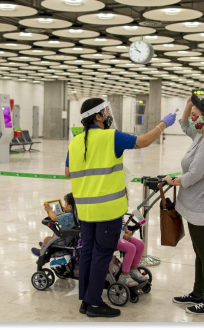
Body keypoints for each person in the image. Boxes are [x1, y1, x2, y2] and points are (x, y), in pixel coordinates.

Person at [66, 98, 177, 318]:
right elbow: (143, 141)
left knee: (87, 253)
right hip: (107, 211)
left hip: (86, 211)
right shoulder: (111, 137)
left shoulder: (76, 141)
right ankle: (95, 304)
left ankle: (86, 301)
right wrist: (163, 124)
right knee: (101, 255)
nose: (108, 115)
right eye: (106, 111)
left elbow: (68, 172)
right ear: (98, 116)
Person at [163, 94, 204, 316]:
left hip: (203, 208)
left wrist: (172, 180)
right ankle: (198, 293)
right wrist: (190, 104)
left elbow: (192, 176)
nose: (191, 119)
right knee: (200, 252)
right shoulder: (202, 135)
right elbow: (183, 125)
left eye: (195, 116)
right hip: (196, 205)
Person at [31, 193, 77, 257]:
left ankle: (41, 252)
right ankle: (47, 245)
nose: (64, 205)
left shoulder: (67, 216)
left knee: (46, 239)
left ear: (70, 207)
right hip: (70, 239)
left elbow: (54, 218)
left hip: (64, 241)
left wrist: (49, 210)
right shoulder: (76, 215)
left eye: (65, 203)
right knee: (55, 233)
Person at [116, 224, 148, 288]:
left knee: (140, 245)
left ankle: (133, 270)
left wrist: (126, 230)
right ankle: (124, 276)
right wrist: (122, 234)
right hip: (112, 237)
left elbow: (122, 224)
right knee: (131, 248)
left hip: (121, 234)